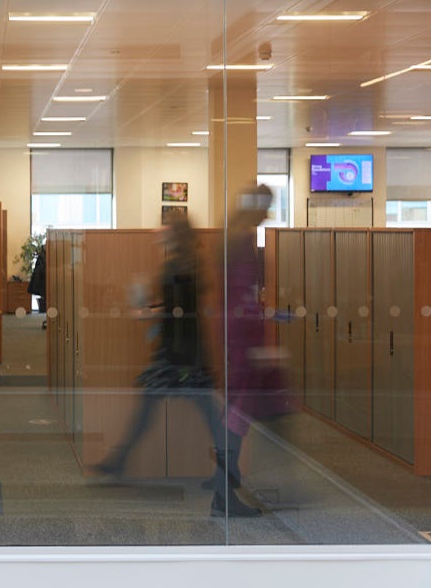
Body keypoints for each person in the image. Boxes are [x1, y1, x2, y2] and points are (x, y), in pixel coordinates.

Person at [88, 215, 259, 518]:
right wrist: (155, 312)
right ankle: (222, 480)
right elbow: (179, 309)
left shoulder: (178, 266)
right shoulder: (188, 262)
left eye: (163, 226)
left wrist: (148, 314)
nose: (157, 230)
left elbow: (177, 314)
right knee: (201, 420)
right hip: (184, 355)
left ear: (173, 232)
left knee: (210, 422)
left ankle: (224, 484)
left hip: (180, 359)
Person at [219, 185, 295, 506]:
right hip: (244, 339)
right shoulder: (241, 241)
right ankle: (222, 492)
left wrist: (266, 315)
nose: (267, 215)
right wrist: (259, 336)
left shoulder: (234, 236)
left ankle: (224, 480)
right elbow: (241, 298)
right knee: (239, 413)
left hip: (239, 334)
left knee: (239, 411)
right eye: (265, 207)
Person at [27, 237, 48, 327]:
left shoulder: (44, 255)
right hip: (44, 284)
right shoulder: (44, 256)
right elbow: (41, 271)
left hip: (44, 284)